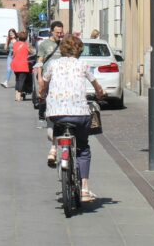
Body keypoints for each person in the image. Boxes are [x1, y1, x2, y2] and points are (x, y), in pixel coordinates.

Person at [39, 35, 107, 203]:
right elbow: (96, 85)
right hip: (80, 114)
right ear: (79, 50)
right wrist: (100, 93)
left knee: (55, 120)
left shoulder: (53, 64)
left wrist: (42, 93)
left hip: (57, 113)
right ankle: (84, 190)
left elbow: (43, 83)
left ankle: (54, 149)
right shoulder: (83, 65)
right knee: (83, 149)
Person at [10, 29, 35, 102]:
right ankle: (18, 96)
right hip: (23, 65)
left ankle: (16, 95)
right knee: (21, 80)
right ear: (26, 38)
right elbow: (33, 52)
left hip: (15, 64)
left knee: (17, 79)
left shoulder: (15, 44)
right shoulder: (27, 45)